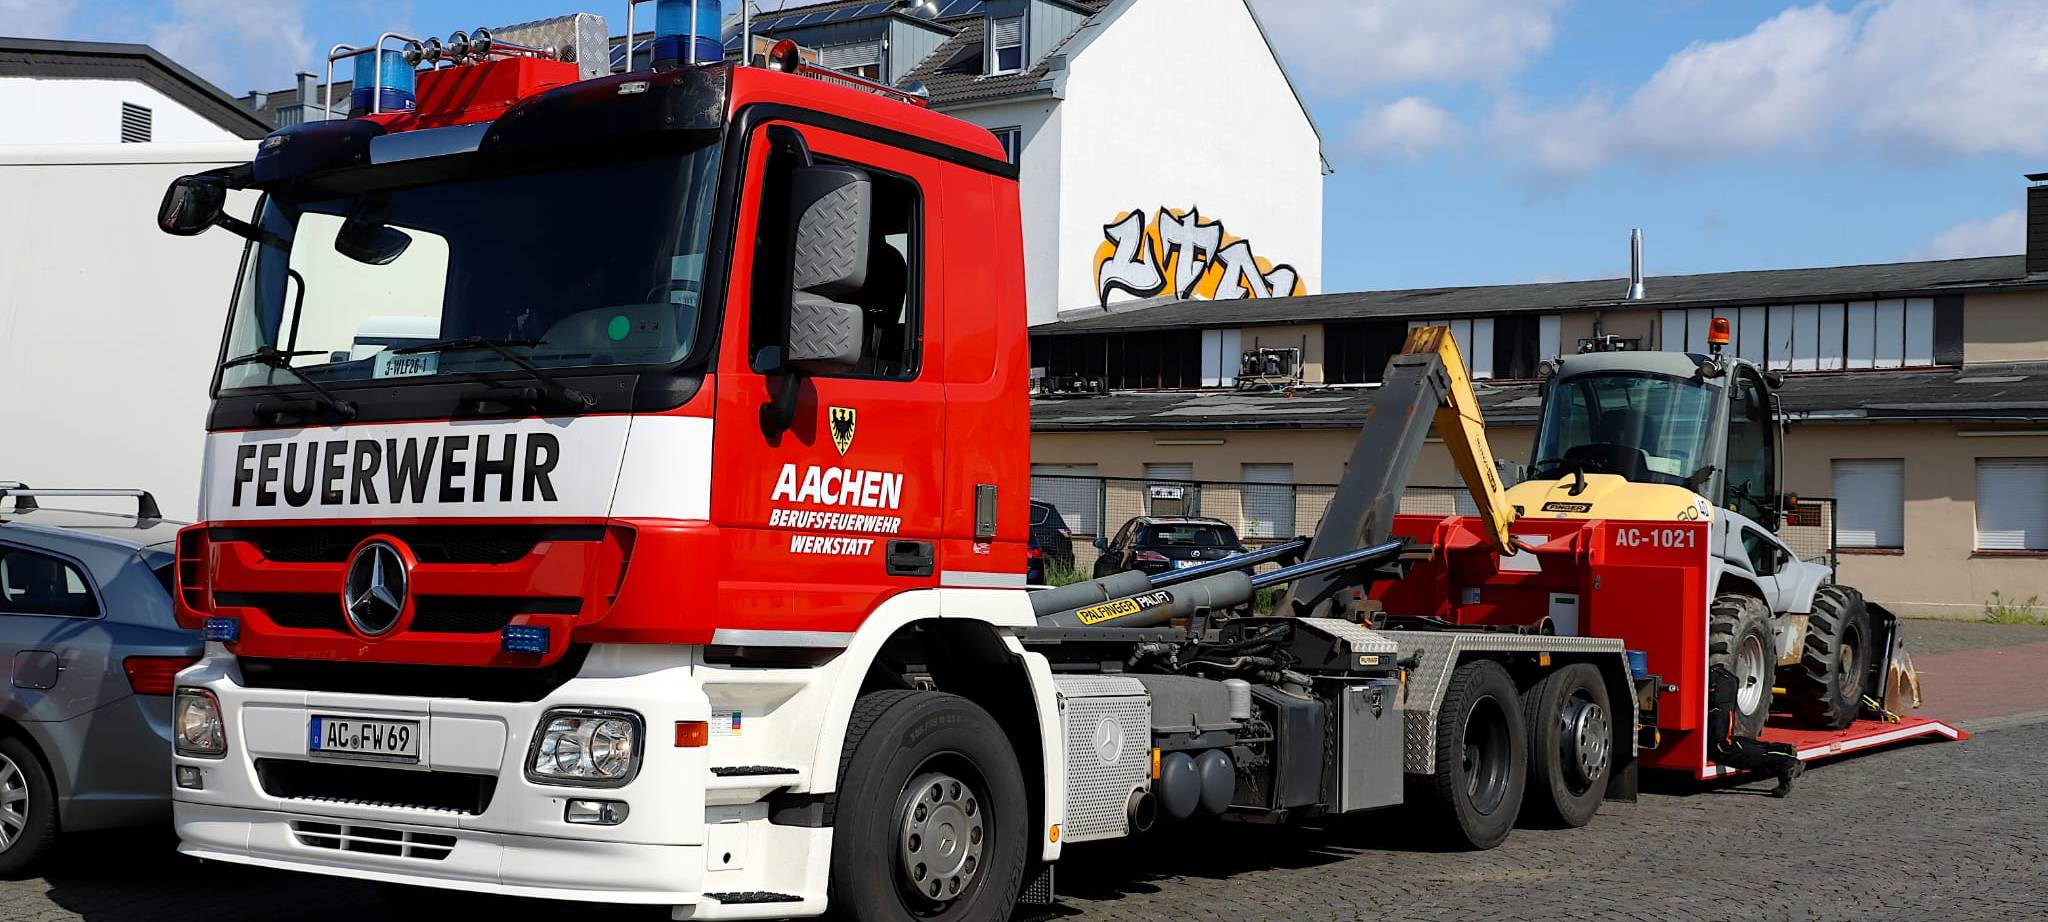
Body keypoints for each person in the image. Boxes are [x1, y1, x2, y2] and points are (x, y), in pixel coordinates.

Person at [1707, 663, 1803, 797]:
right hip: (1716, 680)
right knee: (1722, 743)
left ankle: (1784, 764)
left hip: (1716, 684)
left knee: (1721, 747)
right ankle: (1782, 750)